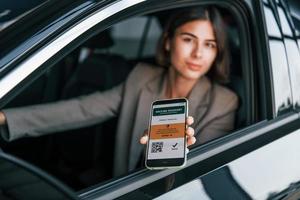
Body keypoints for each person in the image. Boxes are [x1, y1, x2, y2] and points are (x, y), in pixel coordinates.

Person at [0, 6, 238, 177]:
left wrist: (182, 152)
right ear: (167, 41)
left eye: (210, 45)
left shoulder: (223, 103)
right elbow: (80, 109)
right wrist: (5, 117)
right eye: (188, 39)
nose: (198, 53)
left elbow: (198, 177)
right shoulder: (141, 76)